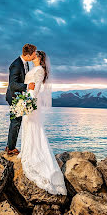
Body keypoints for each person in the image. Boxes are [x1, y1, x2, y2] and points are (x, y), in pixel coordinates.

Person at [17, 50, 67, 195]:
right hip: (27, 99)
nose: (33, 56)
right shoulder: (34, 69)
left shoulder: (39, 71)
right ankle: (26, 150)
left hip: (31, 101)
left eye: (35, 55)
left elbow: (36, 88)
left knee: (33, 127)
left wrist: (28, 103)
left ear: (39, 58)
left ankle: (35, 155)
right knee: (28, 127)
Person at [5, 43, 36, 156]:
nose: (35, 55)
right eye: (34, 53)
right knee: (15, 122)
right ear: (29, 54)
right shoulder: (16, 65)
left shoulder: (24, 63)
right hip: (14, 97)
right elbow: (12, 84)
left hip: (19, 96)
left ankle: (10, 146)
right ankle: (10, 148)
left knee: (16, 122)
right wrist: (27, 86)